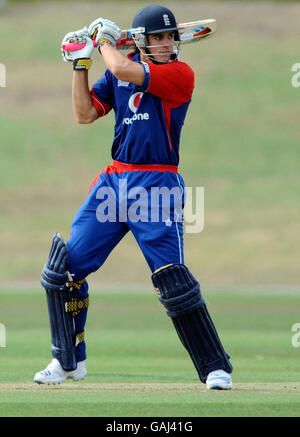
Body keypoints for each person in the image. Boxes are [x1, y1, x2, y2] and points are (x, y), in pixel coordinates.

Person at [34, 4, 233, 390]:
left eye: (170, 37)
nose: (166, 44)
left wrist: (103, 41)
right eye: (158, 38)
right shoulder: (118, 68)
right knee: (64, 271)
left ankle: (214, 368)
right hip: (114, 181)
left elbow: (125, 69)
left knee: (171, 280)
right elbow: (85, 114)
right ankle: (68, 362)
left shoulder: (179, 73)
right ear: (141, 42)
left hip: (157, 184)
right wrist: (80, 63)